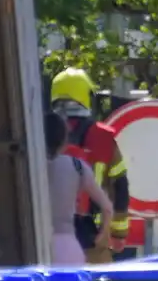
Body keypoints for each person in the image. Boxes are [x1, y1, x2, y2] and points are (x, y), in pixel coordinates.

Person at [49, 68, 130, 263]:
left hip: (49, 238)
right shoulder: (103, 137)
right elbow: (120, 187)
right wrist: (118, 234)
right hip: (92, 238)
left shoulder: (42, 132)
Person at [45, 111, 113, 265]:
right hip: (67, 247)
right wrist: (103, 235)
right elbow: (107, 207)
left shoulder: (28, 167)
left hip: (33, 247)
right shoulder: (77, 167)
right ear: (64, 140)